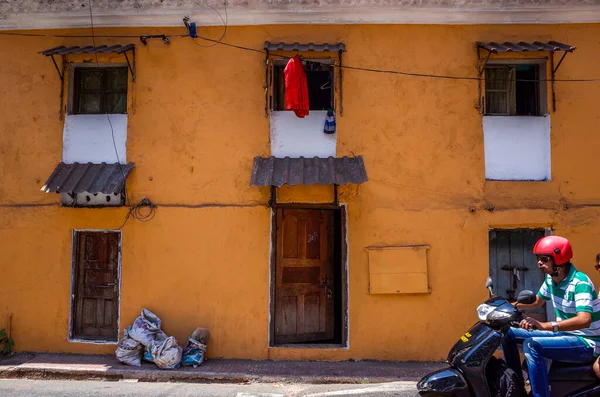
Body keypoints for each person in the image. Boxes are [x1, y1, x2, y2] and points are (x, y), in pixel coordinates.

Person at [501, 236, 600, 397]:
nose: (539, 262)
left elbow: (584, 320)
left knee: (532, 345)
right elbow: (537, 302)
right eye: (538, 258)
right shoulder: (551, 279)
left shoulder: (580, 282)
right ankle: (515, 385)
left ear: (559, 260)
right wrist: (505, 306)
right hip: (565, 335)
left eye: (544, 259)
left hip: (587, 342)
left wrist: (546, 325)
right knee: (508, 333)